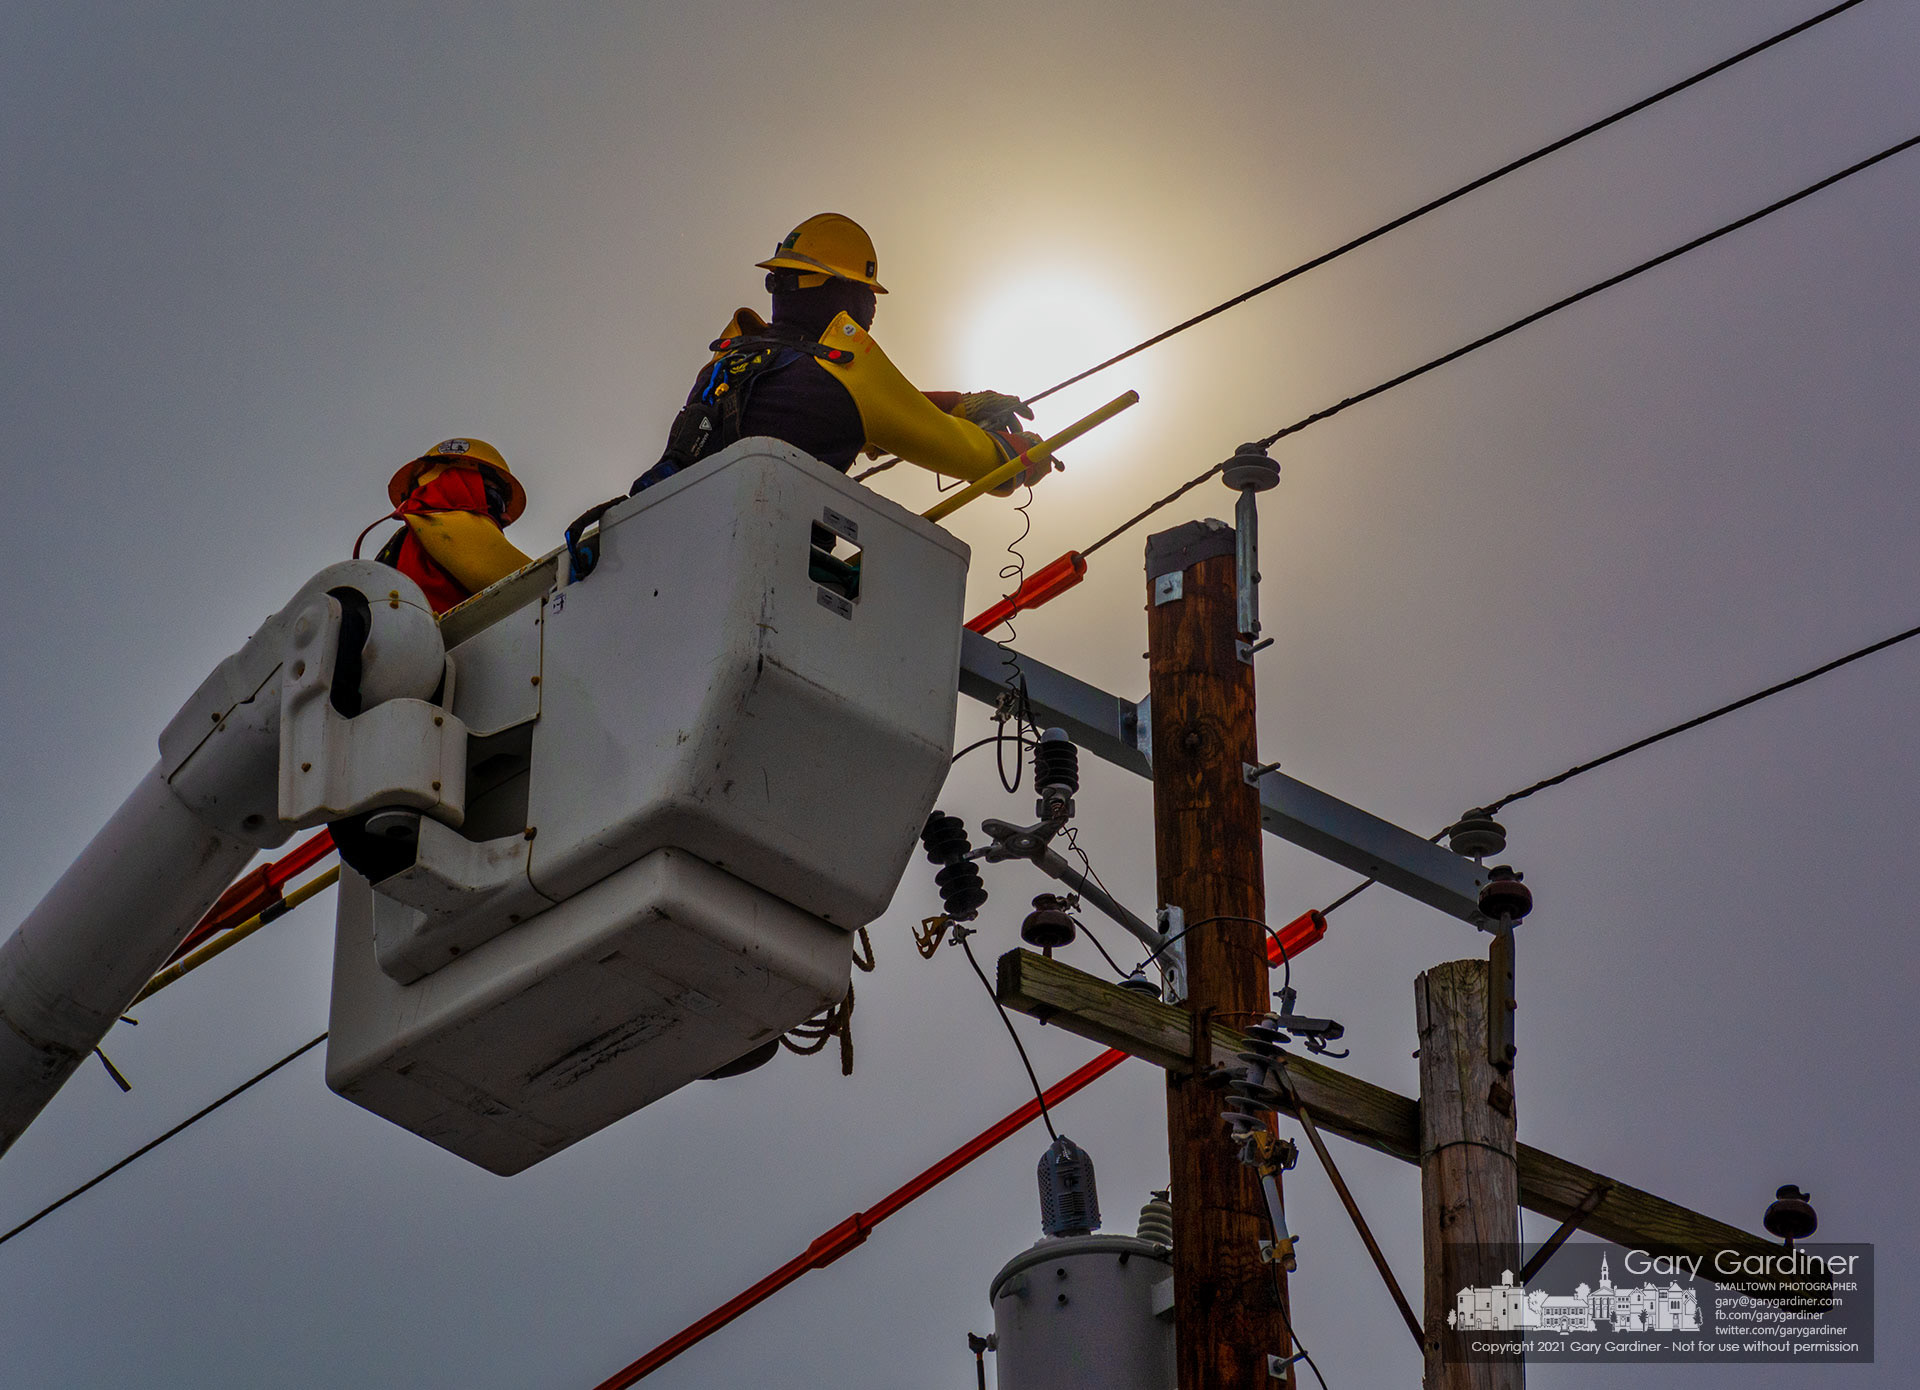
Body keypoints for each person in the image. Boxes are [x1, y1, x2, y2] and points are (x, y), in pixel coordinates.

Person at [635, 212, 1051, 493]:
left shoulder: (726, 361)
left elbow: (869, 415)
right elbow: (976, 460)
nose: (872, 308)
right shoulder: (848, 368)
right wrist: (1021, 453)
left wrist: (959, 405)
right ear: (841, 292)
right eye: (867, 293)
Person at [363, 437, 533, 614]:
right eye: (497, 501)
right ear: (459, 481)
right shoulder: (457, 527)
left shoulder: (405, 539)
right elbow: (537, 582)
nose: (506, 517)